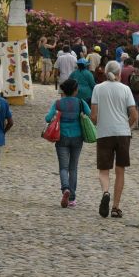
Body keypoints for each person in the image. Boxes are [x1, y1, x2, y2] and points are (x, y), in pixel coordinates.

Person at [91, 60, 139, 219]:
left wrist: (98, 124)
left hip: (104, 133)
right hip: (122, 133)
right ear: (119, 73)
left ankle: (105, 192)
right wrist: (126, 126)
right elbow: (134, 115)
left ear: (105, 72)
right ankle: (115, 207)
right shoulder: (126, 89)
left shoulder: (98, 89)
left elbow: (94, 116)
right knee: (120, 171)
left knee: (103, 170)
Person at [46, 78, 92, 208]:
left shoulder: (58, 103)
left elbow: (48, 118)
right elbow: (90, 115)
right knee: (73, 167)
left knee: (63, 167)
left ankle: (65, 188)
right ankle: (72, 198)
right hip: (78, 137)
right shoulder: (81, 103)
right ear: (75, 90)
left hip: (62, 137)